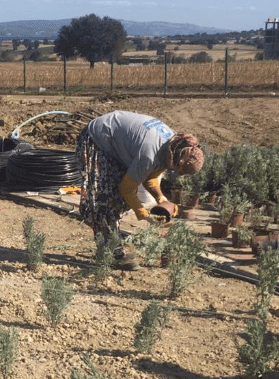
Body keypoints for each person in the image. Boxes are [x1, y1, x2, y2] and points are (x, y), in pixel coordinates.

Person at [76, 110, 204, 269]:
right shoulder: (150, 154)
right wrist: (143, 214)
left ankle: (108, 248)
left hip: (117, 140)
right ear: (176, 159)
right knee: (106, 199)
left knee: (118, 200)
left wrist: (161, 198)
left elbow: (149, 177)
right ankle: (111, 254)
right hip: (97, 139)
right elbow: (126, 188)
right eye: (180, 170)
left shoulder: (172, 145)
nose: (179, 174)